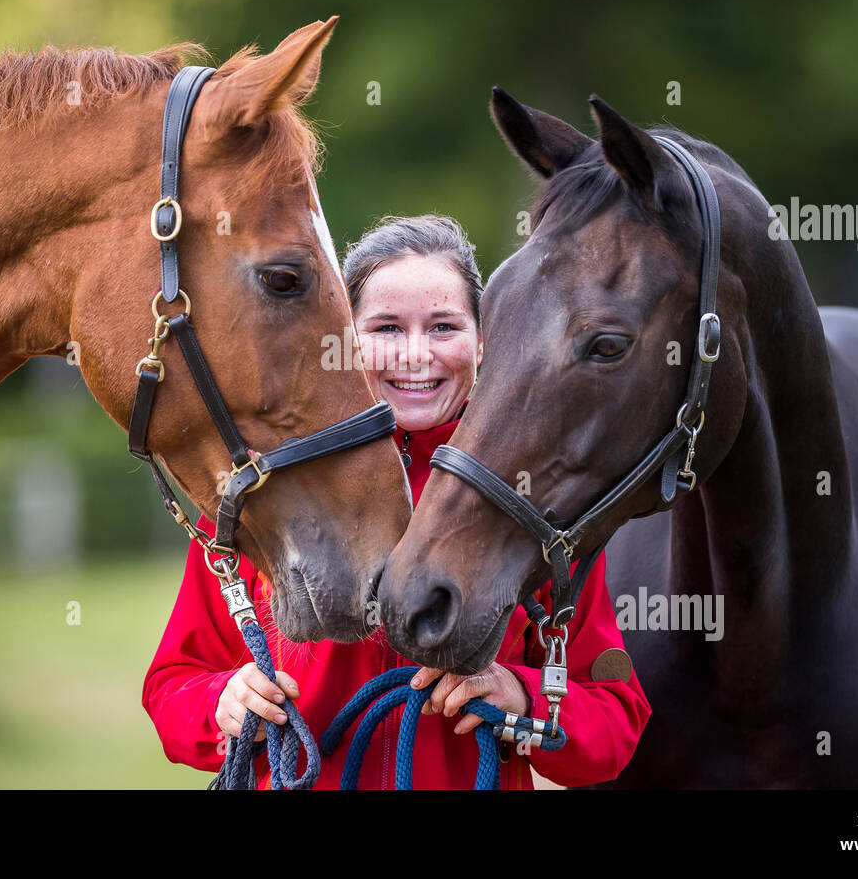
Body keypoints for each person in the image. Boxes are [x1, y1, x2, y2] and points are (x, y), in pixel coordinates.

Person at [142, 214, 650, 789]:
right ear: (344, 337)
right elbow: (172, 684)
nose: (415, 354)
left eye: (442, 327)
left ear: (482, 342)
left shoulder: (539, 501)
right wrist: (221, 703)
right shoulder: (268, 489)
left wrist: (523, 697)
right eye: (386, 328)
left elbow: (615, 719)